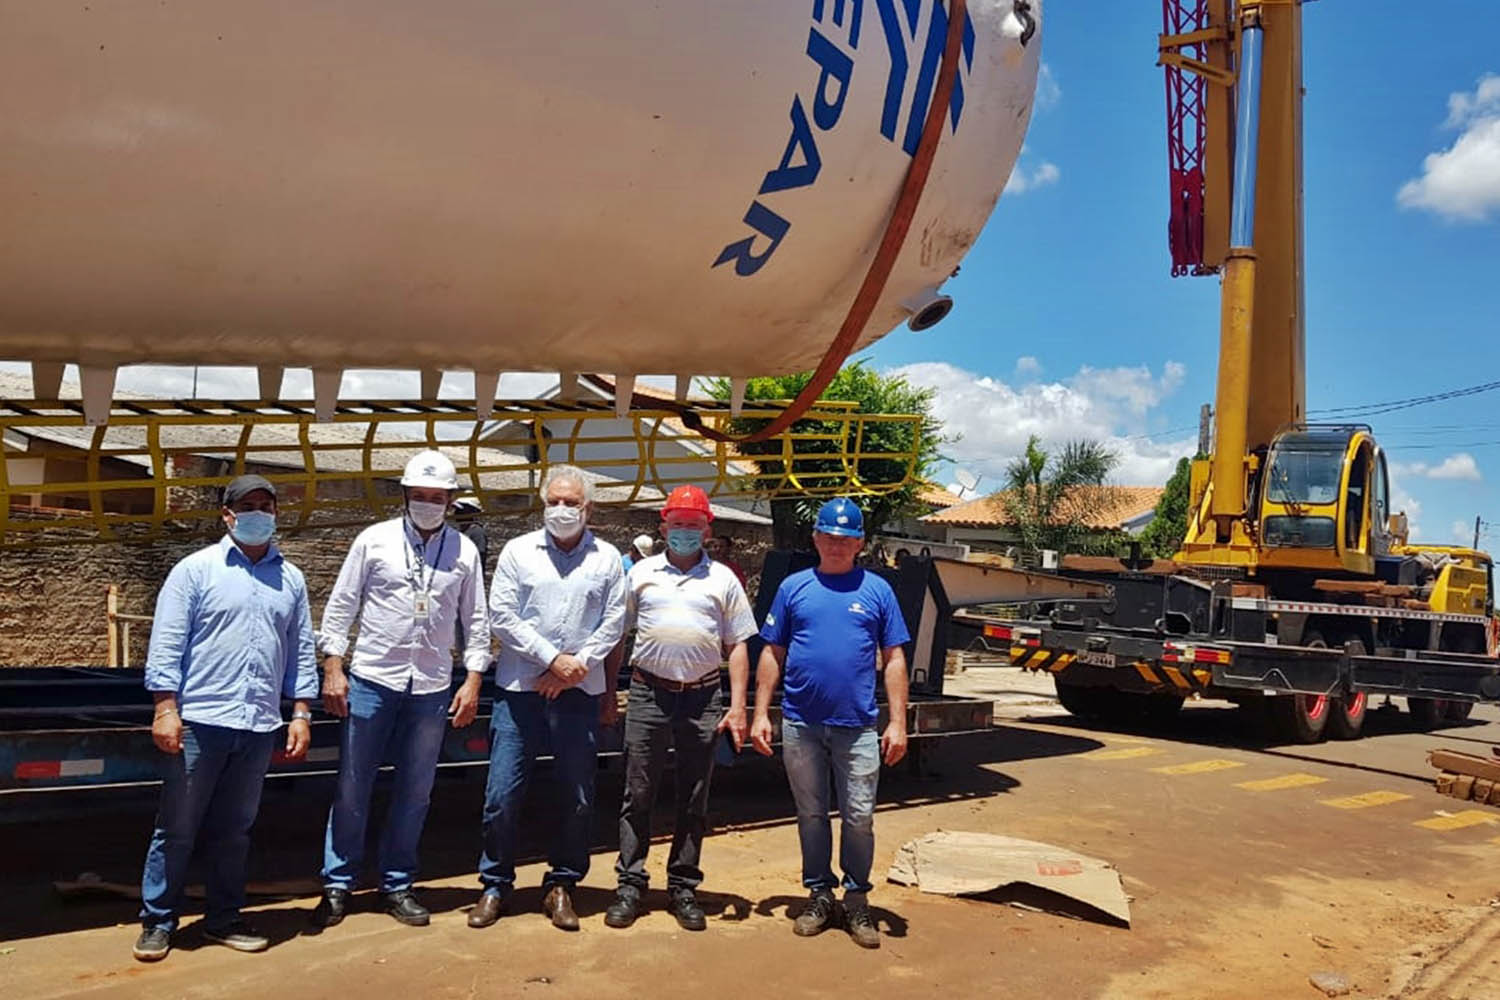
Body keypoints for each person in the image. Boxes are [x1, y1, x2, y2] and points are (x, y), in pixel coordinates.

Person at [133, 474, 317, 962]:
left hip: (258, 723)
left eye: (266, 505)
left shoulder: (291, 579)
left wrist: (300, 711)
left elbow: (299, 650)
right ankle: (158, 921)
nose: (258, 513)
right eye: (247, 505)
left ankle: (223, 918)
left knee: (234, 829)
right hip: (200, 720)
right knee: (177, 826)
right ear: (227, 515)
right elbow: (167, 642)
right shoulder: (195, 571)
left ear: (276, 514)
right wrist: (165, 709)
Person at [313, 451, 490, 929]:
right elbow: (341, 605)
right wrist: (333, 667)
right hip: (372, 679)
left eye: (437, 497)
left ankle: (397, 883)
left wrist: (473, 680)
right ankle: (338, 883)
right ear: (405, 497)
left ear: (451, 500)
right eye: (420, 496)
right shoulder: (374, 541)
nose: (428, 503)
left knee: (416, 790)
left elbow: (476, 621)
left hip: (432, 687)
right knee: (353, 785)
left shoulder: (464, 552)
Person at [470, 464, 627, 931]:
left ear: (588, 508)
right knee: (502, 791)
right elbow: (501, 615)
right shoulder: (519, 552)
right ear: (543, 503)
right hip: (521, 690)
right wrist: (553, 659)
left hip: (579, 691)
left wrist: (575, 665)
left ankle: (562, 884)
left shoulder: (607, 558)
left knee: (576, 794)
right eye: (554, 501)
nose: (562, 510)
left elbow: (615, 621)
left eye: (571, 503)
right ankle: (495, 883)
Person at [750, 497, 911, 950]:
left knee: (859, 817)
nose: (836, 544)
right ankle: (819, 895)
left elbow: (895, 658)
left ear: (860, 543)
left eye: (846, 538)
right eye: (829, 536)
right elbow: (772, 653)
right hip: (801, 722)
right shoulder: (794, 588)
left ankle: (856, 900)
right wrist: (761, 713)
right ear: (816, 538)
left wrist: (897, 722)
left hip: (858, 726)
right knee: (811, 814)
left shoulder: (878, 591)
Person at [603, 486, 756, 932]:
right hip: (649, 693)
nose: (686, 531)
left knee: (694, 795)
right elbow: (617, 636)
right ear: (663, 526)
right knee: (638, 792)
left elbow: (739, 645)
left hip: (703, 697)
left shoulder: (724, 579)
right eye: (678, 523)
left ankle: (683, 887)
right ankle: (630, 884)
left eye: (694, 524)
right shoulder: (640, 573)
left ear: (707, 528)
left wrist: (739, 706)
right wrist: (609, 692)